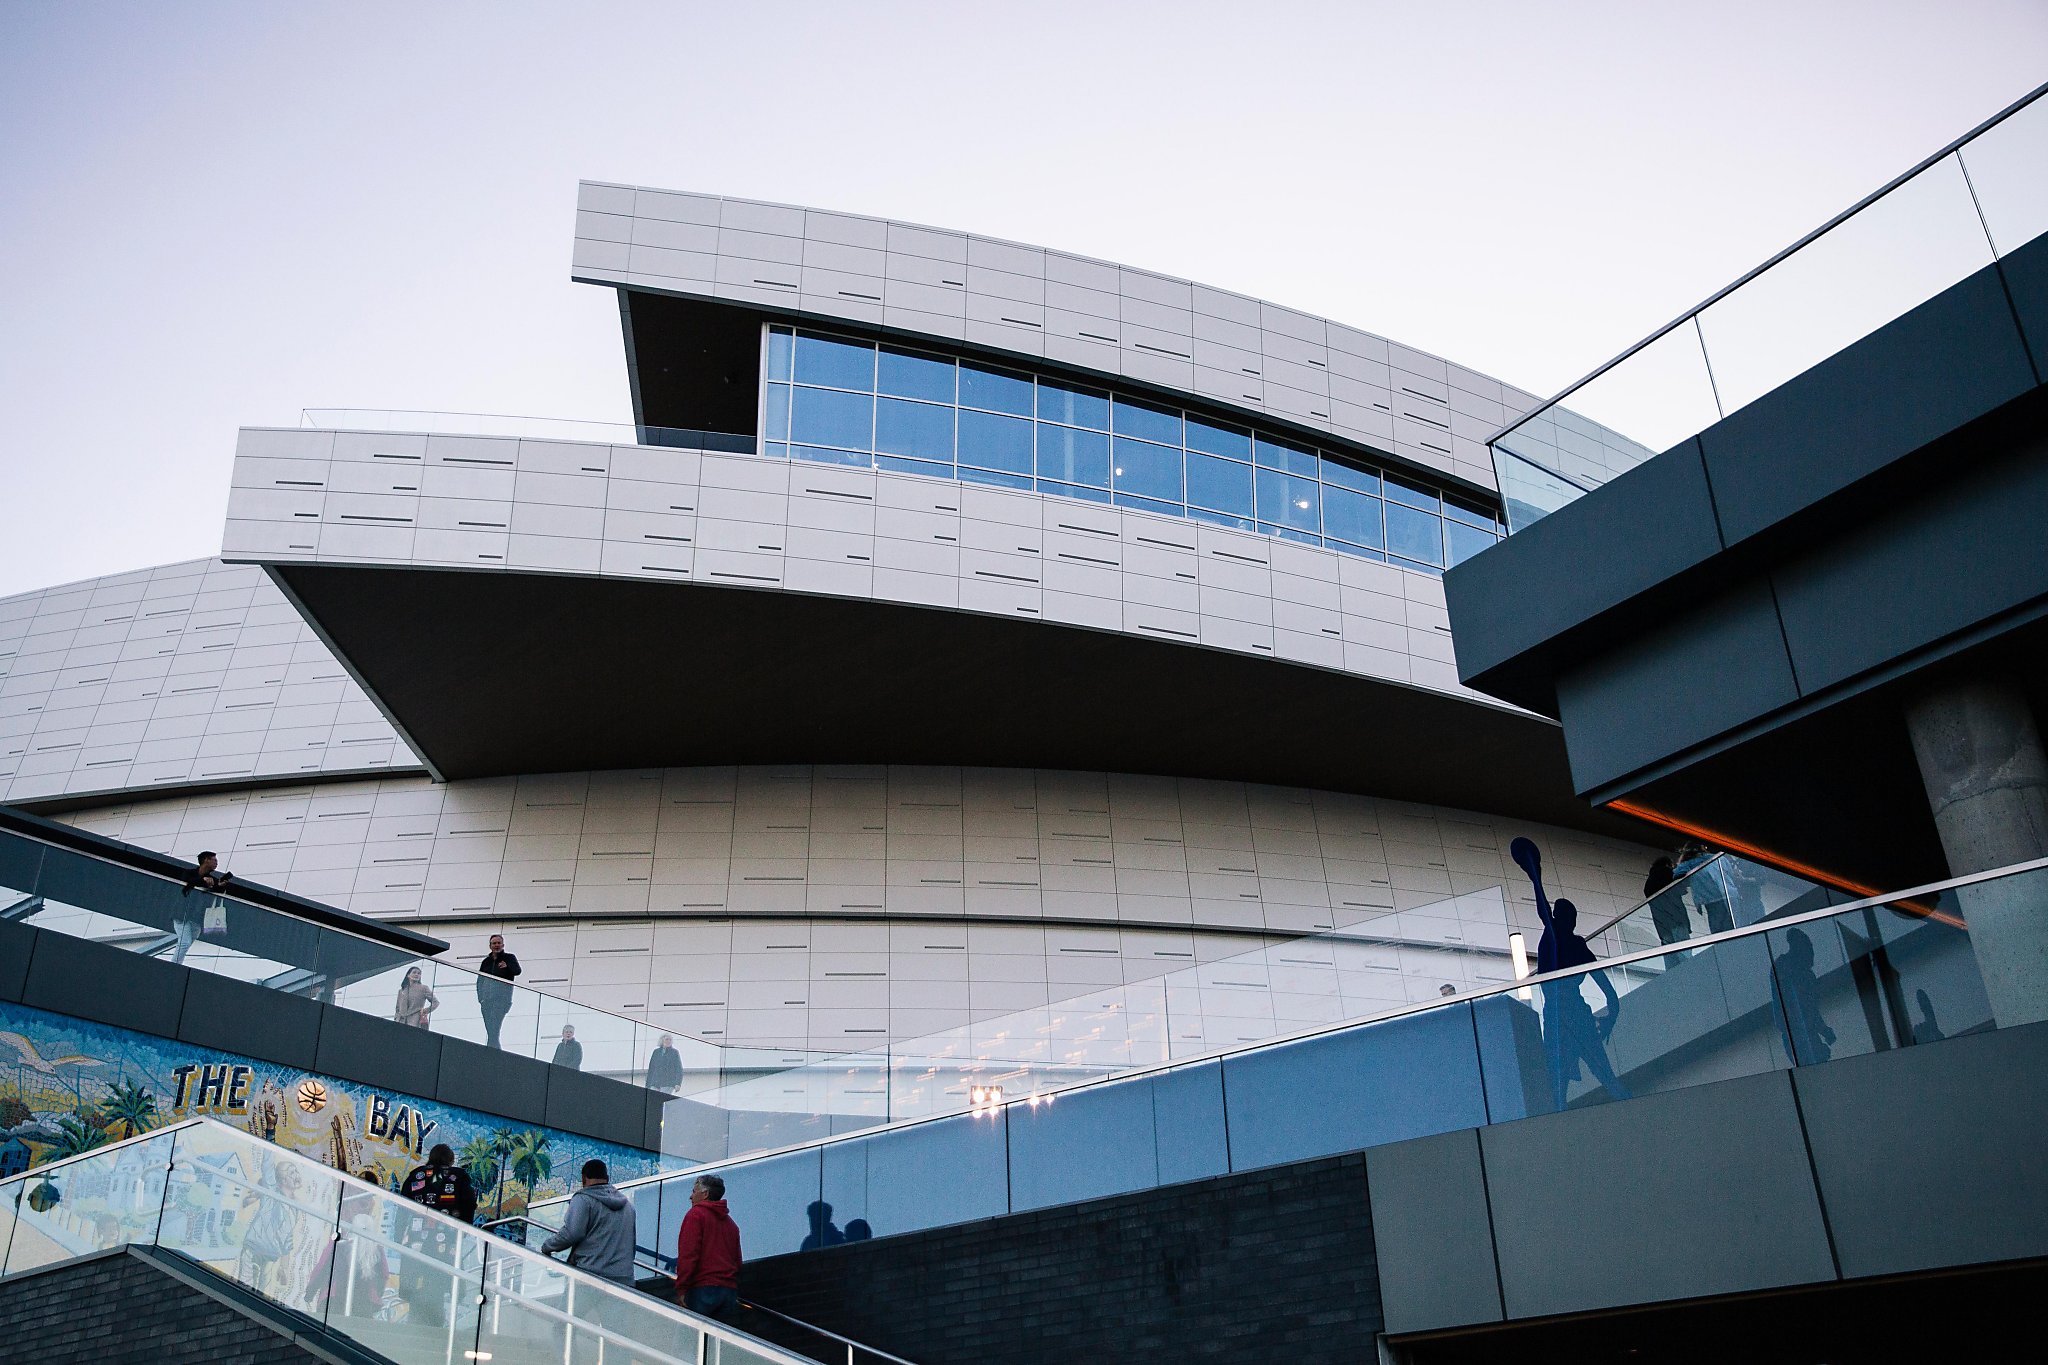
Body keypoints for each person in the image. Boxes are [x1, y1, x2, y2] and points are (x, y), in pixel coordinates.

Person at [1509, 837, 1630, 1112]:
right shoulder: (1566, 941)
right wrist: (1610, 1018)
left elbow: (1610, 993)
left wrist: (1534, 872)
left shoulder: (1569, 942)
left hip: (1563, 1013)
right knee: (1576, 1079)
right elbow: (1611, 994)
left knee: (1568, 1081)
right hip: (1566, 1013)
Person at [397, 1143, 476, 1326]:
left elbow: (401, 1209)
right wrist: (461, 1232)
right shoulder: (458, 1177)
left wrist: (400, 1238)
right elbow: (470, 1205)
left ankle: (415, 1324)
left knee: (416, 1286)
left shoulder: (416, 1176)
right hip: (445, 1245)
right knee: (438, 1285)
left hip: (415, 1244)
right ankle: (434, 1324)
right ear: (450, 1159)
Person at [539, 1159, 638, 1285]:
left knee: (569, 1305)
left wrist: (548, 1247)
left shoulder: (583, 1200)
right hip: (624, 1280)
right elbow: (632, 1244)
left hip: (589, 1279)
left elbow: (572, 1233)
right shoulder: (628, 1206)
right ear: (607, 1178)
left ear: (584, 1178)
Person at [673, 1174, 741, 1322]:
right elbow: (737, 1261)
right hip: (728, 1292)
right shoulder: (731, 1225)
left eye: (694, 1191)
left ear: (705, 1194)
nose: (690, 1197)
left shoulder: (695, 1216)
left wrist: (682, 1288)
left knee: (692, 1339)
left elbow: (689, 1255)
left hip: (702, 1289)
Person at [1772, 927, 1837, 1063]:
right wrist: (1823, 1030)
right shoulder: (1785, 967)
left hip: (1804, 1032)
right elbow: (1805, 1007)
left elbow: (1811, 1008)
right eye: (1808, 948)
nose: (1812, 953)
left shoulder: (1804, 973)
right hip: (1796, 1033)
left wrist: (1824, 1030)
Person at [175, 850, 233, 965]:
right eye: (214, 860)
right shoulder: (189, 873)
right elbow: (186, 881)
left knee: (189, 940)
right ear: (206, 860)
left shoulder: (212, 879)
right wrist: (202, 880)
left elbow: (216, 891)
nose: (216, 863)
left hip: (197, 917)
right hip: (182, 914)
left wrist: (220, 886)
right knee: (185, 942)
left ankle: (176, 962)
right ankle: (175, 964)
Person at [476, 934, 521, 1050]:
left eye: (498, 943)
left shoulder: (509, 958)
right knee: (490, 1028)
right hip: (486, 1000)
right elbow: (480, 980)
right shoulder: (486, 962)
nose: (496, 945)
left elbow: (517, 971)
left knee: (494, 1027)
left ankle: (492, 1050)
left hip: (502, 999)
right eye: (494, 943)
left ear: (503, 945)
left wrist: (507, 966)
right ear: (490, 946)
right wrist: (480, 998)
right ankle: (494, 1050)